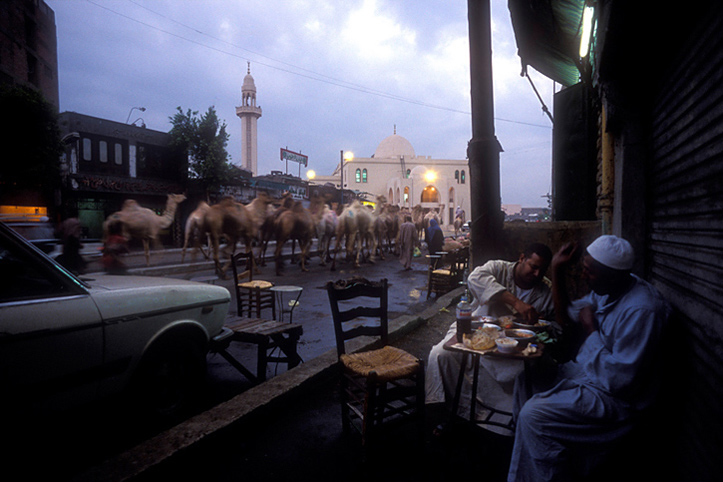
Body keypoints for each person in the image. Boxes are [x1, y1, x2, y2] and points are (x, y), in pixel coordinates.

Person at [507, 235, 671, 481]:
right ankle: (533, 460)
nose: (584, 277)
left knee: (534, 415)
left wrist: (592, 331)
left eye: (589, 273)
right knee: (526, 379)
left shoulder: (642, 311)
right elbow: (569, 314)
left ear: (614, 275)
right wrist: (557, 270)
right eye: (584, 270)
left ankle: (544, 472)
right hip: (588, 374)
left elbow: (620, 381)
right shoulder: (607, 290)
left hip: (615, 398)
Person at [425, 243, 554, 428]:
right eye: (533, 267)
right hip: (476, 334)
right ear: (522, 258)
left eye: (542, 270)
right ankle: (447, 413)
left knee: (519, 373)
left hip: (512, 347)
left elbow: (550, 323)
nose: (537, 274)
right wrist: (516, 303)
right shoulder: (498, 268)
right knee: (440, 354)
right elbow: (475, 278)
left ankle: (496, 420)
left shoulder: (545, 289)